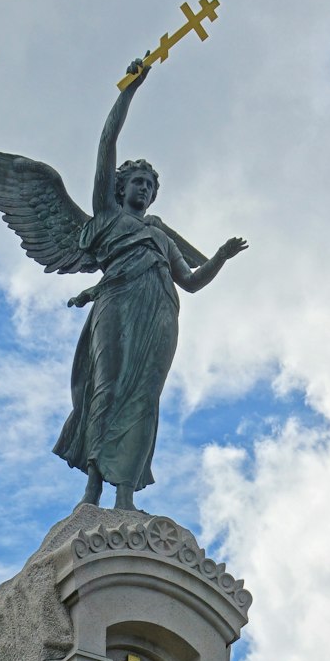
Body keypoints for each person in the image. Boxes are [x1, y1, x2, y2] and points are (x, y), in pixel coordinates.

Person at [54, 58, 247, 510]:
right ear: (121, 188)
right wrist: (129, 91)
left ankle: (125, 496)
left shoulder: (159, 234)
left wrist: (219, 256)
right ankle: (93, 488)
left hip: (159, 309)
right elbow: (107, 144)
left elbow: (193, 283)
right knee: (107, 386)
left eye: (150, 186)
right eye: (137, 182)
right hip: (117, 302)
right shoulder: (107, 215)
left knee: (143, 396)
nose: (143, 189)